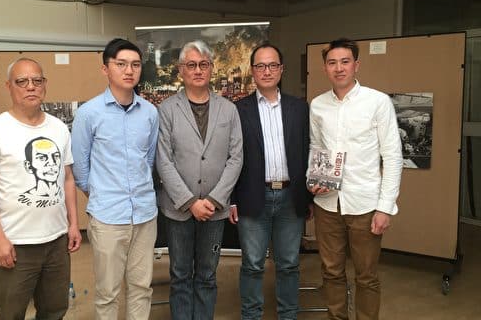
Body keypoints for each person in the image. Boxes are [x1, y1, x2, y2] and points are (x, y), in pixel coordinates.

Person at [0, 58, 81, 320]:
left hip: (56, 241)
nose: (31, 86)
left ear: (44, 84)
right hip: (15, 243)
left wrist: (74, 224)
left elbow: (67, 178)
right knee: (11, 313)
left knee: (54, 310)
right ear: (9, 86)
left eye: (37, 81)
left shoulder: (58, 128)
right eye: (22, 81)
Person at [309, 38, 402, 320]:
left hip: (365, 205)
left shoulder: (377, 102)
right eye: (332, 62)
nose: (339, 68)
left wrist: (385, 207)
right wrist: (313, 179)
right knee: (331, 271)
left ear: (356, 65)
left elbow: (393, 156)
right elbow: (317, 148)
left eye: (345, 62)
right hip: (327, 204)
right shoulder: (318, 105)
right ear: (325, 68)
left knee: (366, 276)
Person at [71, 38, 158, 320]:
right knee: (108, 292)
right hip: (108, 216)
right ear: (105, 69)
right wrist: (100, 194)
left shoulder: (150, 112)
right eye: (121, 64)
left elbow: (149, 160)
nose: (129, 70)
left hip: (144, 214)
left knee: (141, 287)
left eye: (135, 64)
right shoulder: (88, 113)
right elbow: (80, 168)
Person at [156, 40, 243, 320]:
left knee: (207, 274)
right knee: (180, 274)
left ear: (212, 68)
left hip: (215, 210)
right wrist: (190, 201)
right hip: (179, 209)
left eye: (203, 64)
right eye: (191, 65)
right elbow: (163, 160)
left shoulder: (228, 110)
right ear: (181, 70)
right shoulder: (167, 109)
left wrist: (215, 199)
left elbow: (236, 158)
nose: (197, 70)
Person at [229, 43, 311, 320]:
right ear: (252, 71)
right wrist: (232, 199)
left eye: (272, 65)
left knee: (288, 264)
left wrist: (308, 198)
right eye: (261, 66)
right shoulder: (238, 110)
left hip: (290, 198)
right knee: (252, 265)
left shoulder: (299, 108)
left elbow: (307, 151)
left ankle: (288, 315)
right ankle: (251, 316)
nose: (267, 71)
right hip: (253, 197)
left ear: (281, 69)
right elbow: (232, 157)